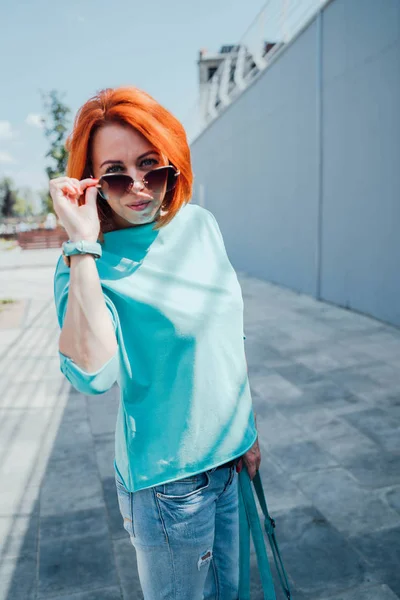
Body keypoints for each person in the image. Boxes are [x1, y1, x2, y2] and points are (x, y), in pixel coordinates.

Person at [51, 86, 261, 600]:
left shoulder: (200, 226)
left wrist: (247, 429)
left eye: (151, 166)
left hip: (230, 461)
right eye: (116, 174)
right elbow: (93, 374)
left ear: (173, 162)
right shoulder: (86, 262)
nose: (139, 187)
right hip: (170, 488)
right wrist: (82, 246)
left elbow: (226, 338)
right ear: (91, 182)